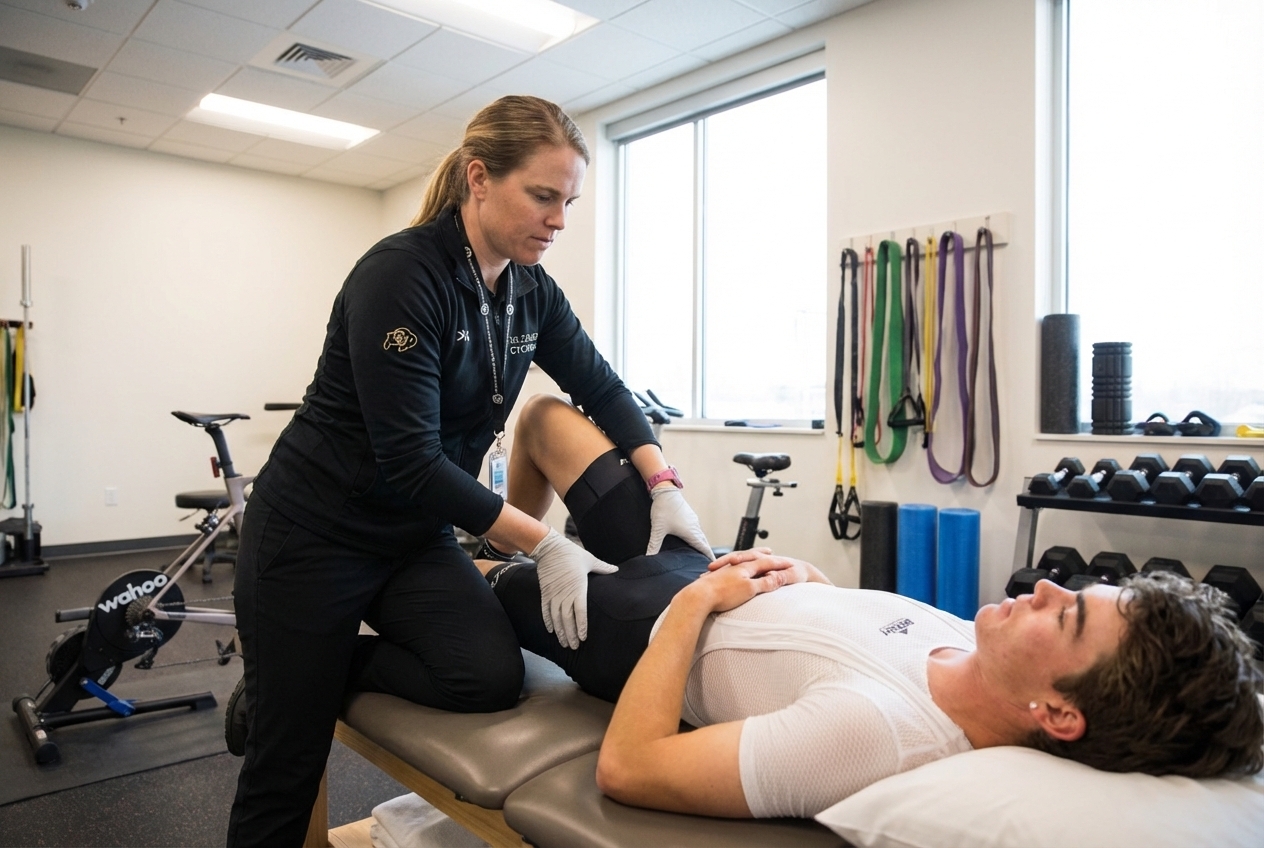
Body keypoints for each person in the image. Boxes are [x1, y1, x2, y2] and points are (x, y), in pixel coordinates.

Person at [226, 97, 711, 847]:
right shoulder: (400, 276)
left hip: (409, 538)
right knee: (283, 769)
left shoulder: (528, 289)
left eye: (568, 202)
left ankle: (316, 670)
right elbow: (413, 460)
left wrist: (662, 483)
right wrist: (543, 543)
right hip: (313, 535)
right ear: (479, 179)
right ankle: (284, 687)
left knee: (485, 677)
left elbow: (605, 389)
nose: (557, 220)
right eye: (543, 196)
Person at [479, 394, 1264, 819]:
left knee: (482, 566)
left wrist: (691, 607)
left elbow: (630, 768)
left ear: (1057, 713)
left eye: (1066, 617)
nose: (1044, 588)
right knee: (545, 421)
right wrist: (812, 580)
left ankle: (497, 565)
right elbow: (844, 643)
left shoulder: (877, 739)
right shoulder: (973, 643)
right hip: (710, 572)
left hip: (638, 628)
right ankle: (522, 545)